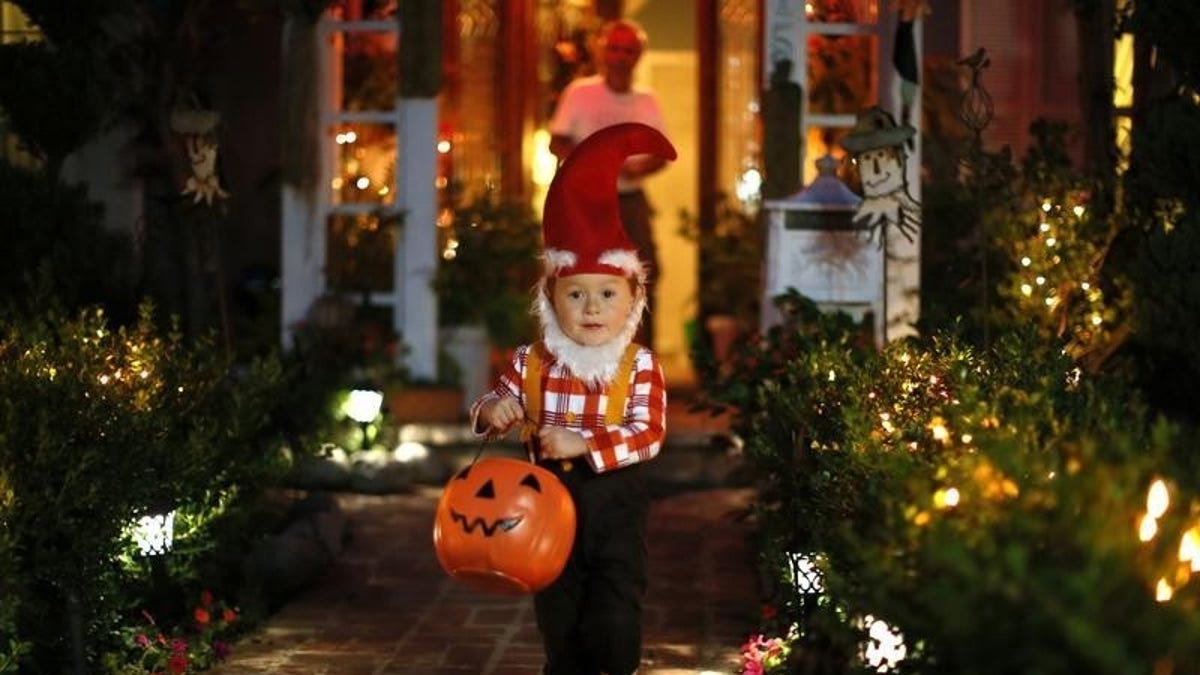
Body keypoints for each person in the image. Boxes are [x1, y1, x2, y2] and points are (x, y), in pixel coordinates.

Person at [471, 123, 677, 675]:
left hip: (614, 503)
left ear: (632, 298)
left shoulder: (639, 367)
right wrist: (493, 412)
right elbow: (496, 402)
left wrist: (584, 443)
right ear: (551, 299)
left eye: (607, 294)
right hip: (546, 503)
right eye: (576, 294)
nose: (591, 308)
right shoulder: (530, 361)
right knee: (558, 615)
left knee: (613, 612)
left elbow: (648, 433)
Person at [548, 18, 669, 349]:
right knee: (576, 273)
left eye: (627, 50)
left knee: (644, 274)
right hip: (584, 204)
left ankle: (641, 358)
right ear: (602, 53)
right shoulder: (580, 93)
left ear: (638, 56)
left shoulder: (647, 100)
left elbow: (661, 154)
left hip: (628, 200)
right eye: (614, 48)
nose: (620, 57)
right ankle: (572, 354)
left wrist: (638, 169)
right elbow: (556, 141)